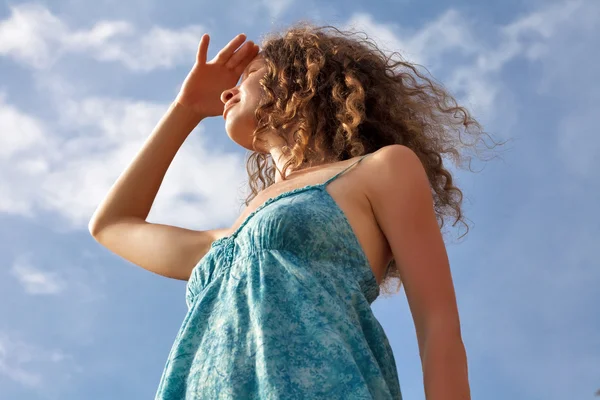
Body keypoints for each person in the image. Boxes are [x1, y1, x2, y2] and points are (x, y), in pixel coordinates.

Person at [90, 23, 496, 399]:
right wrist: (186, 108)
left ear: (301, 81)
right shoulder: (223, 244)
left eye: (248, 76)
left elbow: (437, 326)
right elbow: (111, 225)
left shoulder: (381, 169)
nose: (227, 93)